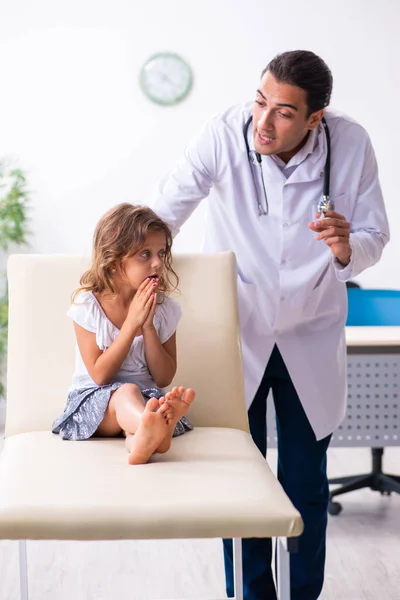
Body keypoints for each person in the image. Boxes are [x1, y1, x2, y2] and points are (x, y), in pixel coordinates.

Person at [151, 50, 390, 599]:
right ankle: (252, 594)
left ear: (315, 118)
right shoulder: (222, 134)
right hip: (237, 335)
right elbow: (163, 214)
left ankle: (304, 594)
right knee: (240, 486)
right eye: (261, 101)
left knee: (305, 487)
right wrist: (126, 262)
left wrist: (347, 247)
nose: (263, 121)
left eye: (284, 112)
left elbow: (376, 234)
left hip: (311, 334)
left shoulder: (350, 146)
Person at [52, 203, 195, 465]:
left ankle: (142, 439)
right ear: (115, 261)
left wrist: (149, 326)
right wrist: (131, 325)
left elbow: (164, 376)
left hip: (145, 399)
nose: (157, 263)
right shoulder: (88, 306)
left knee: (142, 406)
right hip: (94, 403)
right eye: (144, 254)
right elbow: (99, 375)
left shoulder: (165, 309)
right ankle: (153, 426)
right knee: (127, 391)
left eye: (161, 253)